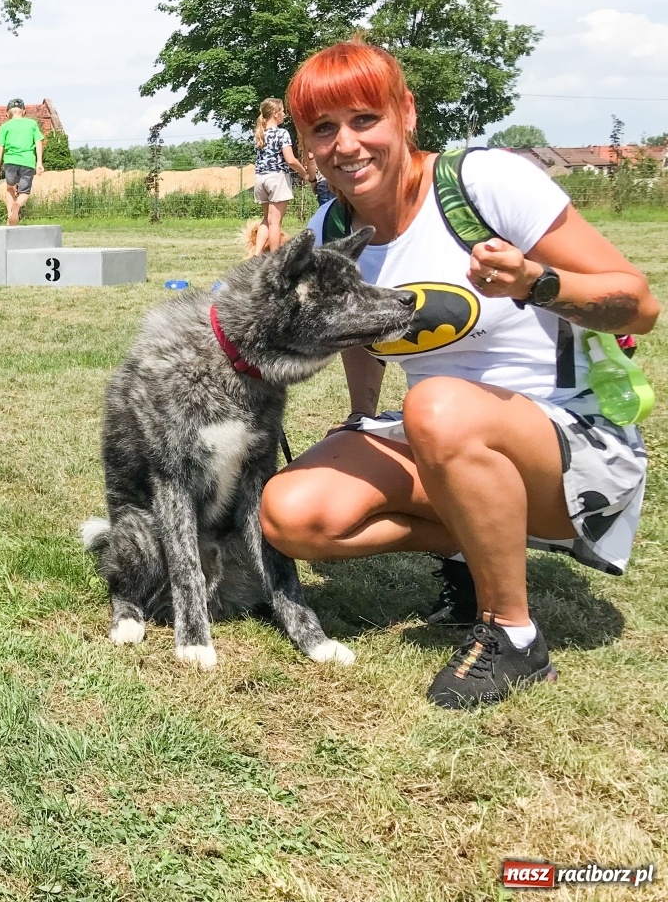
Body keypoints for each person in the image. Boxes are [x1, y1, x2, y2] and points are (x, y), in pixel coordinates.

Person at [258, 40, 658, 708]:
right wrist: (362, 415)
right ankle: (476, 545)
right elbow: (357, 329)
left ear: (405, 113)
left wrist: (536, 280)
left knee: (440, 403)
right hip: (442, 436)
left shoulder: (485, 182)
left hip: (574, 447)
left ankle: (515, 636)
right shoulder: (332, 226)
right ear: (303, 144)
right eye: (322, 130)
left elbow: (639, 305)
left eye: (364, 119)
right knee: (291, 515)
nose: (346, 145)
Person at [250, 98, 312, 255]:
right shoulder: (282, 133)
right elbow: (290, 160)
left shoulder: (259, 134)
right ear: (276, 113)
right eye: (283, 111)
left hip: (260, 178)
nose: (284, 114)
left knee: (266, 219)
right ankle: (274, 259)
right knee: (275, 222)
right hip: (276, 178)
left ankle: (256, 256)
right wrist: (303, 173)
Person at [0, 99, 45, 226]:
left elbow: (0, 148)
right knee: (24, 192)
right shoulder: (32, 124)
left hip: (10, 162)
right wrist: (39, 163)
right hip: (27, 162)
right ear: (24, 112)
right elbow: (38, 142)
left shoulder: (5, 126)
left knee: (10, 188)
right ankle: (18, 204)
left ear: (7, 115)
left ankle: (10, 217)